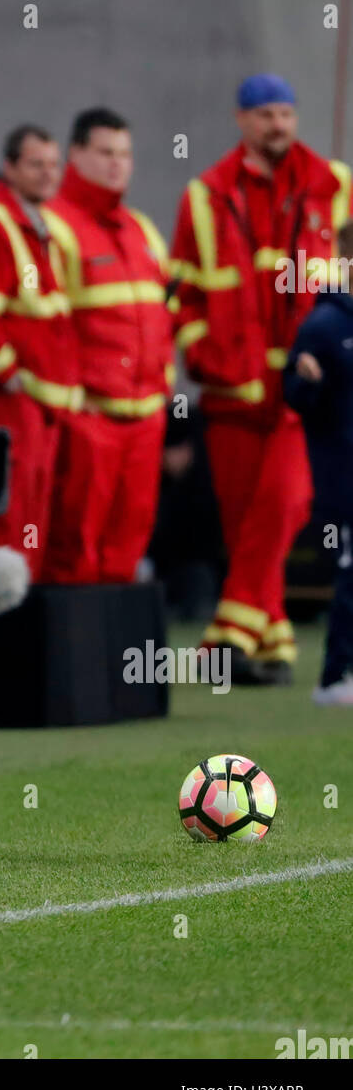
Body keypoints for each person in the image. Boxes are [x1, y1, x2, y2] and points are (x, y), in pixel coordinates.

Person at [171, 74, 351, 684]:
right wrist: (202, 354)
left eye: (286, 113)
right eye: (266, 114)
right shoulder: (206, 195)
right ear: (241, 120)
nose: (278, 124)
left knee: (285, 503)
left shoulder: (335, 186)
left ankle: (226, 635)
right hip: (232, 389)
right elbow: (183, 293)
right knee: (247, 519)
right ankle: (272, 646)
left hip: (310, 389)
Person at [41, 107, 172, 583]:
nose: (117, 164)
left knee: (128, 547)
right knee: (73, 548)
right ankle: (75, 656)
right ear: (75, 154)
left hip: (144, 421)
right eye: (105, 152)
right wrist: (78, 402)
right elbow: (49, 327)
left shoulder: (141, 230)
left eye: (124, 154)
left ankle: (115, 654)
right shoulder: (54, 226)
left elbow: (164, 319)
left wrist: (161, 393)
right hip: (90, 418)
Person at [0, 125, 80, 579]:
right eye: (35, 164)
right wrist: (12, 378)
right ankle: (0, 633)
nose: (48, 174)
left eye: (53, 164)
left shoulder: (39, 228)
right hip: (6, 403)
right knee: (7, 520)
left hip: (37, 405)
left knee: (31, 521)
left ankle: (20, 628)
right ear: (10, 168)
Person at [283, 221, 353, 704]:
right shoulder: (324, 325)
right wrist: (306, 381)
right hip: (343, 475)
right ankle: (334, 677)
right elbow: (295, 395)